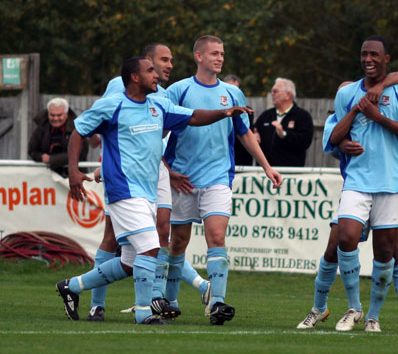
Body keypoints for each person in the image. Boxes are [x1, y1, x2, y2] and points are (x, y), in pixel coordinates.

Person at [56, 56, 253, 325]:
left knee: (129, 262)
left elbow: (193, 116)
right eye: (151, 70)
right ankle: (143, 312)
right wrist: (74, 171)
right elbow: (78, 131)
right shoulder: (112, 105)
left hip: (148, 191)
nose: (157, 75)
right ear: (135, 77)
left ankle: (71, 286)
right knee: (151, 247)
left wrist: (225, 112)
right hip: (123, 190)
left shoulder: (158, 104)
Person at [87, 43, 210, 322]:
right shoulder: (117, 86)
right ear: (145, 63)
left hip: (155, 171)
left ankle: (154, 297)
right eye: (162, 61)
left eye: (170, 61)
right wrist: (104, 164)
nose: (168, 66)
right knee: (112, 237)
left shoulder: (161, 94)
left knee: (161, 233)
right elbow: (103, 125)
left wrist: (166, 164)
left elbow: (160, 133)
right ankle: (97, 303)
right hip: (123, 173)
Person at [164, 35, 282, 325]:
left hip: (218, 177)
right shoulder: (178, 90)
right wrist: (168, 171)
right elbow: (159, 131)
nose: (220, 58)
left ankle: (217, 303)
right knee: (177, 243)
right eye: (214, 53)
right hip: (183, 178)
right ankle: (168, 300)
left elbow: (244, 133)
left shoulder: (232, 93)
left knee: (216, 237)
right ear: (198, 56)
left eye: (222, 54)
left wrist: (266, 166)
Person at [322, 36, 398, 333]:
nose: (368, 58)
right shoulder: (347, 93)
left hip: (394, 183)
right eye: (363, 54)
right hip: (357, 180)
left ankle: (374, 316)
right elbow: (333, 137)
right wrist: (354, 115)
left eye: (374, 54)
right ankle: (354, 307)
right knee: (345, 236)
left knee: (386, 252)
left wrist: (378, 117)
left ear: (386, 59)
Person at [297, 72, 398, 334]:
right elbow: (333, 142)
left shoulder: (385, 99)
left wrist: (382, 86)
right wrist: (343, 143)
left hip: (390, 187)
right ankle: (320, 308)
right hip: (357, 189)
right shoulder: (336, 120)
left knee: (395, 251)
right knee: (335, 245)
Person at [254, 78, 314, 166]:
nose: (272, 94)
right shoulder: (266, 115)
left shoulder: (302, 116)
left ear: (288, 95)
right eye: (271, 91)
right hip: (264, 173)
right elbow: (253, 129)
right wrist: (254, 135)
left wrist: (284, 135)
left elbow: (305, 141)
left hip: (290, 174)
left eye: (275, 91)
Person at [28, 98, 88, 177]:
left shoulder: (77, 129)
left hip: (74, 177)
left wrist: (52, 159)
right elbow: (32, 151)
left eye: (59, 115)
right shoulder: (41, 128)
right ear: (48, 114)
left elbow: (81, 154)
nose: (55, 118)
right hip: (46, 178)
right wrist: (41, 157)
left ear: (66, 114)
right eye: (52, 115)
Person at [224, 74, 253, 166]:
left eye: (235, 89)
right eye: (228, 89)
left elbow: (246, 134)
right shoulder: (217, 111)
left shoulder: (247, 111)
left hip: (242, 159)